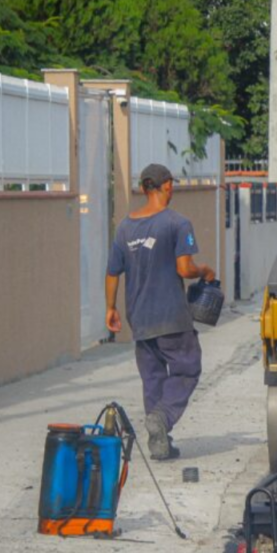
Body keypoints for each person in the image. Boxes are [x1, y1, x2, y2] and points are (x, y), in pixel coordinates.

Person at [105, 164, 215, 461]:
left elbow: (113, 272)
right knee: (187, 368)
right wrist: (203, 270)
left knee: (152, 378)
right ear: (167, 186)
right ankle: (163, 418)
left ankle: (160, 444)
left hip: (139, 318)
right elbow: (184, 268)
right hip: (172, 316)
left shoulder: (124, 227)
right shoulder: (177, 223)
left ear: (144, 188)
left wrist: (111, 308)